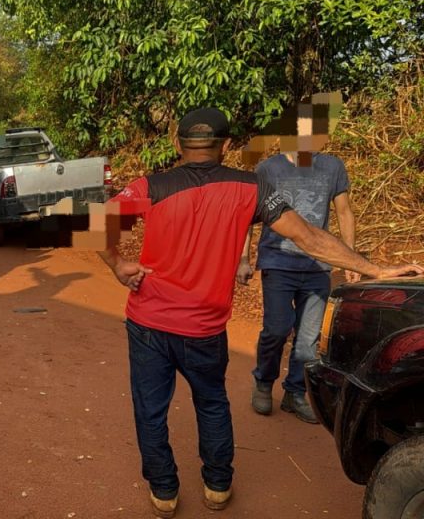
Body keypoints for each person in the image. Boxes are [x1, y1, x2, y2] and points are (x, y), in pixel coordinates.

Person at [96, 108, 420, 518]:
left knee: (150, 408)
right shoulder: (251, 187)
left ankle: (164, 492)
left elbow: (99, 220)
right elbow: (308, 236)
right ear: (226, 145)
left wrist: (117, 265)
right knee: (211, 403)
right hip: (204, 328)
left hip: (148, 323)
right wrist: (375, 269)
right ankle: (217, 486)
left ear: (177, 145)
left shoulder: (150, 185)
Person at [237, 150, 358, 424]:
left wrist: (351, 260)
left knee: (308, 339)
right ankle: (264, 382)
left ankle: (295, 391)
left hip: (317, 266)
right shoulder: (269, 168)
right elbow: (249, 215)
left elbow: (344, 211)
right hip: (278, 262)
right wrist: (243, 259)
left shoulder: (331, 166)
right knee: (277, 328)